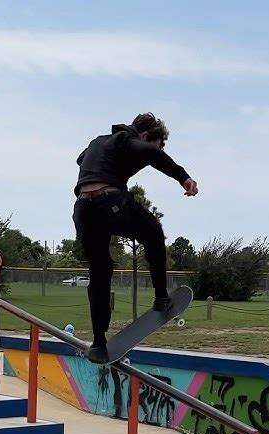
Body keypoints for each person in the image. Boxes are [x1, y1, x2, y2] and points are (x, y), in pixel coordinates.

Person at [73, 112, 198, 363]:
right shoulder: (126, 140)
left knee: (100, 271)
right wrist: (183, 177)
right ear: (145, 136)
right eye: (159, 144)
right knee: (153, 232)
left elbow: (81, 159)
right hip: (109, 201)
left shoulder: (100, 141)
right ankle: (162, 298)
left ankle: (99, 343)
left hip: (82, 209)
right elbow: (151, 154)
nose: (157, 151)